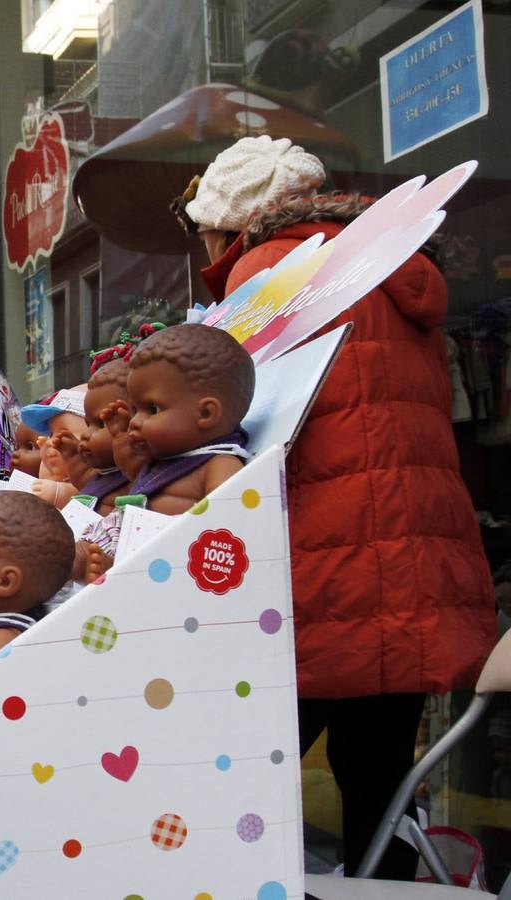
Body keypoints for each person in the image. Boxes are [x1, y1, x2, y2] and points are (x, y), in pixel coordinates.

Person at [174, 134, 496, 879]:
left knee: (243, 776)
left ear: (235, 220)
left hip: (316, 573)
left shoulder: (266, 274)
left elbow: (228, 429)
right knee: (380, 789)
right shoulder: (392, 264)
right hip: (416, 568)